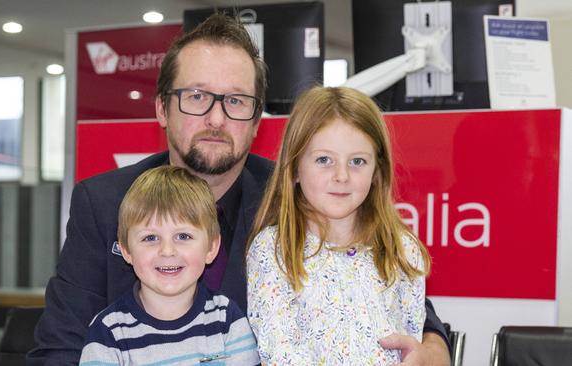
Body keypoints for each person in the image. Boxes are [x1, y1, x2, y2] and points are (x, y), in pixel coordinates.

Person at [29, 13, 450, 366]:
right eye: (196, 96)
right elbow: (60, 349)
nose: (216, 118)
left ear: (256, 119)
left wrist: (432, 349)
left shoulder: (295, 194)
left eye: (236, 101)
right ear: (161, 108)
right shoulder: (105, 203)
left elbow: (404, 304)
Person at [246, 86, 432, 364]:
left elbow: (411, 341)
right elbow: (281, 354)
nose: (342, 175)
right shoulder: (273, 251)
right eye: (324, 160)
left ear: (377, 172)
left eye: (357, 161)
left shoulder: (403, 250)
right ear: (295, 167)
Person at [78, 166, 260, 365]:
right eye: (150, 237)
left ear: (211, 247)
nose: (167, 250)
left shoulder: (228, 320)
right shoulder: (108, 333)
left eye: (183, 236)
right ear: (126, 251)